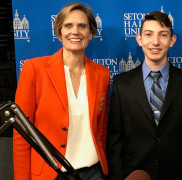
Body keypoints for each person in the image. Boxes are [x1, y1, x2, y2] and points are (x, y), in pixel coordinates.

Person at [13, 2, 110, 180]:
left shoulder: (102, 74)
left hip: (94, 173)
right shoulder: (34, 69)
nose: (75, 31)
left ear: (91, 33)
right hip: (52, 174)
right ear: (59, 32)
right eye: (68, 25)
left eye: (82, 26)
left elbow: (101, 128)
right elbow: (22, 133)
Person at [107, 11, 182, 180]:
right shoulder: (121, 84)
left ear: (172, 40)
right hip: (135, 175)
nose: (155, 42)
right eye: (148, 34)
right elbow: (115, 141)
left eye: (163, 35)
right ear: (139, 39)